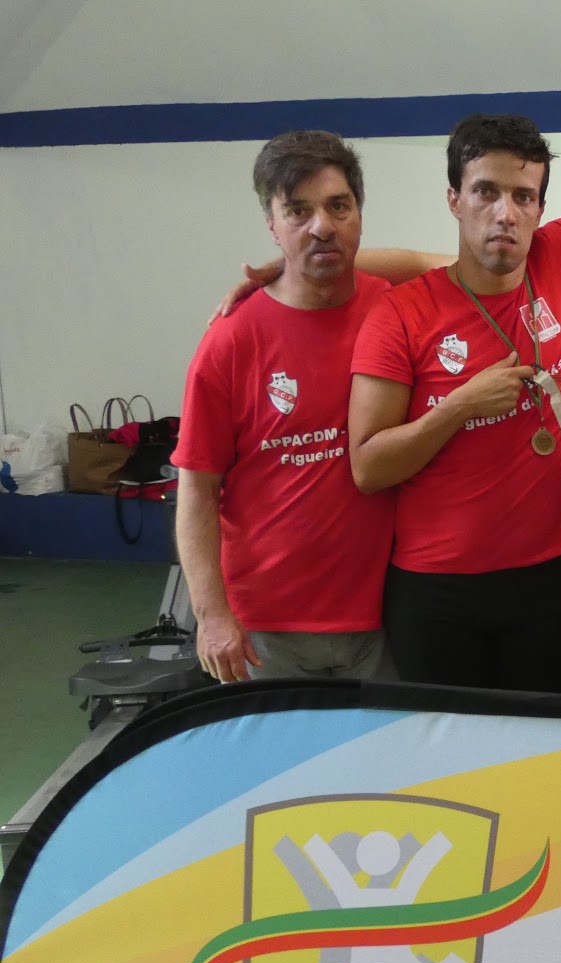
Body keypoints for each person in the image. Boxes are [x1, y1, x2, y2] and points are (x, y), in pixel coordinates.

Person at [347, 114, 561, 691]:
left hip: (546, 583)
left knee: (539, 743)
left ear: (540, 208)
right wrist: (458, 407)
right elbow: (367, 467)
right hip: (437, 594)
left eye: (523, 196)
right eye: (485, 192)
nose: (504, 213)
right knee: (452, 749)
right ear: (454, 200)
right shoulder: (402, 315)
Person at [173, 131, 394, 684]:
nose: (322, 226)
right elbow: (197, 490)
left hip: (387, 617)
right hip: (265, 631)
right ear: (271, 224)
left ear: (360, 213)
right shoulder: (230, 342)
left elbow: (469, 266)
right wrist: (211, 616)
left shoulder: (395, 311)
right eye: (298, 211)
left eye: (338, 206)